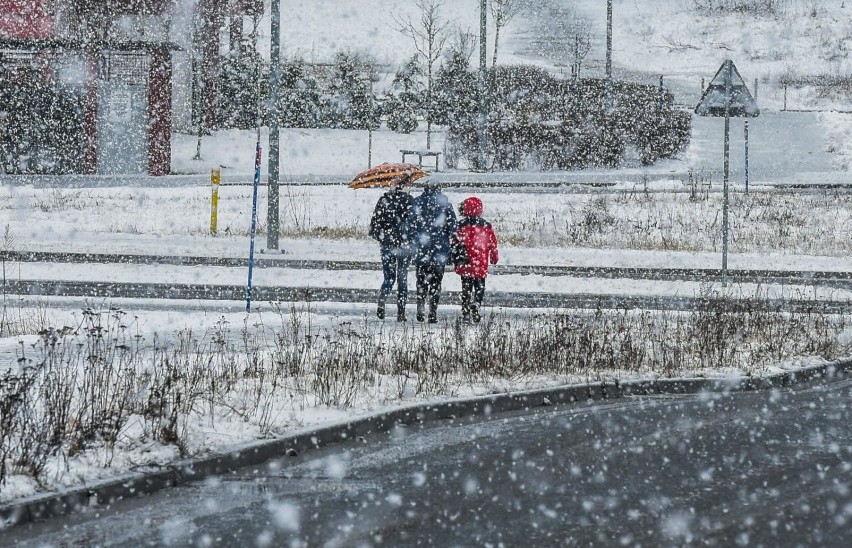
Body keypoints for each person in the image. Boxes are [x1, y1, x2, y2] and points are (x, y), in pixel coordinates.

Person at [406, 180, 457, 323]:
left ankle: (420, 308)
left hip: (422, 250)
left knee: (421, 281)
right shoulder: (445, 205)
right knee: (436, 282)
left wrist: (414, 239)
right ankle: (433, 312)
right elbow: (453, 227)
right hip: (439, 251)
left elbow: (409, 227)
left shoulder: (417, 203)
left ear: (425, 189)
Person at [369, 177, 413, 321]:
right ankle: (401, 312)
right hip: (405, 246)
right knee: (402, 278)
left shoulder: (384, 201)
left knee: (388, 277)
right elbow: (415, 226)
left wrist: (384, 238)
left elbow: (374, 227)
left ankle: (381, 302)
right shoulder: (410, 201)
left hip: (387, 245)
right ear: (404, 186)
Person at [454, 196, 499, 324]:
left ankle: (465, 312)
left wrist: (455, 257)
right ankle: (477, 304)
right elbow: (492, 243)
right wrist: (494, 256)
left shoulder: (460, 225)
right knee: (480, 286)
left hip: (465, 261)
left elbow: (455, 243)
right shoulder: (486, 225)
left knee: (466, 288)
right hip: (480, 261)